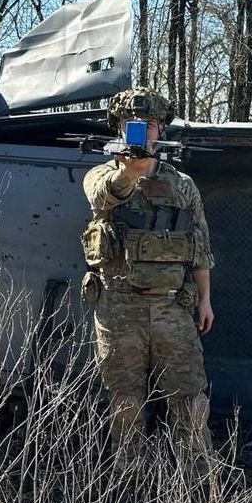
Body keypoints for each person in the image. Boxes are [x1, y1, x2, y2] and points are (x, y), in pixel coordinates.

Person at [81, 86, 215, 478]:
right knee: (125, 399)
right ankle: (130, 476)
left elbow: (200, 245)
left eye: (149, 125)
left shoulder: (182, 184)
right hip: (119, 307)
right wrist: (129, 172)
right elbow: (104, 198)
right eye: (131, 125)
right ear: (118, 128)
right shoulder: (100, 175)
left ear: (161, 129)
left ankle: (195, 477)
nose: (141, 131)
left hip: (173, 306)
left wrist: (205, 300)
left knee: (189, 397)